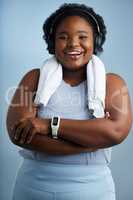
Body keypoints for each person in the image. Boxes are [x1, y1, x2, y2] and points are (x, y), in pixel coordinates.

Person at [6, 3, 132, 200]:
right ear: (52, 42)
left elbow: (116, 132)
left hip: (91, 190)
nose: (73, 44)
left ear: (95, 40)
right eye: (63, 37)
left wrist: (46, 125)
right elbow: (19, 134)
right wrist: (93, 141)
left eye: (82, 37)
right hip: (32, 188)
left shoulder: (112, 83)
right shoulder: (34, 78)